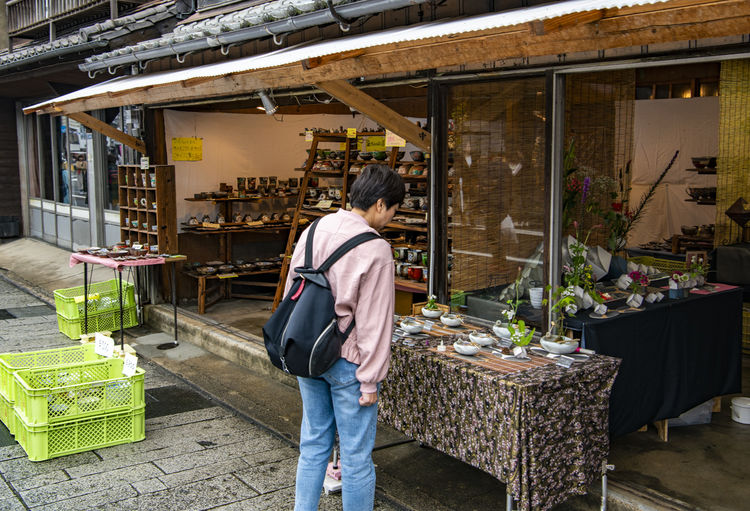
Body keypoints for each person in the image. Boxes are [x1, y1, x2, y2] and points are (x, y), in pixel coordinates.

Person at [285, 164, 405, 511]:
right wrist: (370, 381)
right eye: (394, 210)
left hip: (308, 352)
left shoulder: (314, 228)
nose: (391, 218)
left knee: (313, 445)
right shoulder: (376, 248)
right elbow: (375, 323)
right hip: (348, 363)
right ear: (380, 204)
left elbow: (294, 291)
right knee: (355, 457)